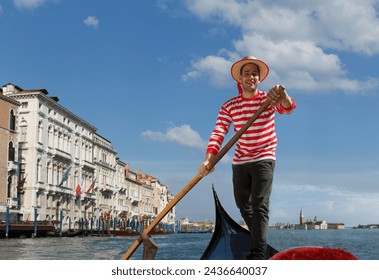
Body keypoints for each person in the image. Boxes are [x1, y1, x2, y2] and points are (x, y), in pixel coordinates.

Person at [199, 56, 296, 260]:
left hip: (264, 157)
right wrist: (209, 159)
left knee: (260, 205)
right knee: (243, 205)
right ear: (240, 79)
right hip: (241, 160)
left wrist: (283, 94)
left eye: (254, 74)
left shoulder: (268, 99)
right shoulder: (230, 106)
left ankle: (257, 255)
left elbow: (287, 108)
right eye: (246, 74)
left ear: (259, 78)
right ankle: (260, 242)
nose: (250, 77)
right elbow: (219, 132)